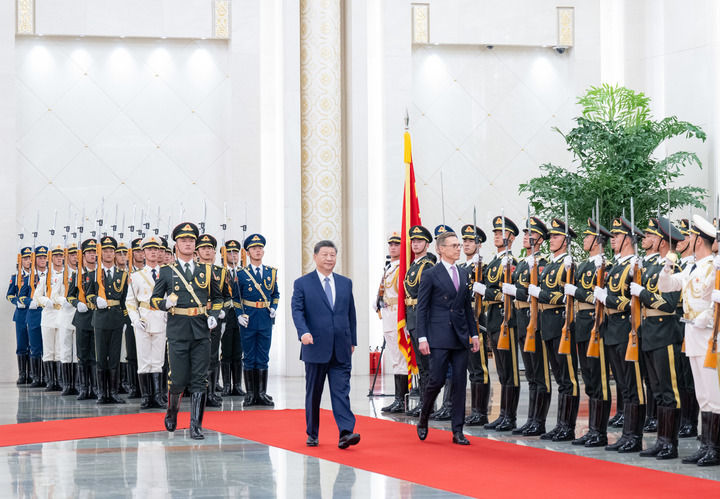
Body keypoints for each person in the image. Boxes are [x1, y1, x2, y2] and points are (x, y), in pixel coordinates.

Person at [151, 222, 223, 440]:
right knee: (178, 377)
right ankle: (172, 412)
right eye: (184, 240)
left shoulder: (207, 271)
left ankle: (196, 425)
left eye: (192, 240)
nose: (188, 244)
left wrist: (213, 315)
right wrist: (164, 304)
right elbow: (154, 299)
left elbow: (218, 297)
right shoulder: (166, 272)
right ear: (176, 244)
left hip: (201, 330)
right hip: (178, 330)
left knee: (200, 379)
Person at [659, 214, 720, 467]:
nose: (688, 239)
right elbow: (667, 286)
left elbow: (716, 302)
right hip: (692, 334)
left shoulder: (715, 267)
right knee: (701, 394)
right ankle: (705, 444)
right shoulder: (692, 267)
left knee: (713, 394)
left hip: (710, 336)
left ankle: (714, 448)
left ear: (699, 240)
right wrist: (667, 266)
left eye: (692, 236)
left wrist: (706, 316)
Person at [291, 240, 360, 449]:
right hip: (315, 346)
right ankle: (312, 433)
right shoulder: (302, 283)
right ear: (315, 257)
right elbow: (297, 311)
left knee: (341, 391)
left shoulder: (345, 283)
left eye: (333, 255)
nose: (329, 259)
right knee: (314, 393)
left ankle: (346, 432)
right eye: (325, 255)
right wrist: (303, 332)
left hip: (341, 346)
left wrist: (353, 340)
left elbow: (351, 313)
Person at [416, 231, 480, 445]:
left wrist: (474, 334)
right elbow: (422, 308)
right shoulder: (430, 274)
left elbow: (466, 308)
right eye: (453, 245)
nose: (458, 248)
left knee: (460, 382)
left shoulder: (462, 274)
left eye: (458, 245)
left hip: (460, 335)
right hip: (439, 335)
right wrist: (422, 337)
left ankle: (457, 430)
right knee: (437, 380)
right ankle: (424, 416)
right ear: (440, 249)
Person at [633, 217, 684, 459]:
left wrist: (642, 293)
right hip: (649, 332)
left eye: (650, 235)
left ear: (661, 241)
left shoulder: (672, 267)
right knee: (655, 389)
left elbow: (669, 303)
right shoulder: (650, 266)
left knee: (668, 390)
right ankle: (661, 441)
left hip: (665, 332)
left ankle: (669, 444)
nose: (645, 239)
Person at [595, 216, 646, 453]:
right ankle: (626, 434)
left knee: (633, 386)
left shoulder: (635, 266)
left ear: (628, 238)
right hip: (612, 330)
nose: (612, 239)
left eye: (616, 235)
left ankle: (634, 436)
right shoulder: (617, 266)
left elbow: (634, 303)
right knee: (624, 386)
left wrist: (608, 299)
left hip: (628, 331)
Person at [528, 218, 580, 442]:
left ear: (566, 241)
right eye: (550, 237)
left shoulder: (568, 265)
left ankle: (567, 426)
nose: (551, 240)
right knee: (559, 378)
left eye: (556, 237)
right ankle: (560, 424)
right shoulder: (550, 265)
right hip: (547, 325)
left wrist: (542, 295)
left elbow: (567, 297)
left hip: (562, 325)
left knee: (568, 378)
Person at [566, 218, 612, 447]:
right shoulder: (584, 265)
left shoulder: (605, 266)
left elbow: (599, 297)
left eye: (587, 237)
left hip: (597, 324)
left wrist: (577, 292)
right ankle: (593, 430)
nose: (583, 240)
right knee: (590, 380)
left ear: (597, 240)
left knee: (599, 377)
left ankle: (600, 431)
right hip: (582, 325)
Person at [504, 216, 550, 436]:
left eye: (530, 234)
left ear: (540, 239)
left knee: (540, 374)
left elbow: (536, 293)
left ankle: (539, 421)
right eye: (524, 234)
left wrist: (516, 292)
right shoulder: (523, 263)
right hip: (522, 319)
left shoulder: (542, 264)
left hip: (535, 319)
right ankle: (531, 419)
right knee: (531, 374)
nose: (526, 237)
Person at [474, 215, 520, 431]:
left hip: (505, 319)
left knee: (510, 371)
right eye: (495, 232)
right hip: (492, 319)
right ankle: (502, 414)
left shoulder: (511, 263)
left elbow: (506, 294)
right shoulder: (493, 263)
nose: (496, 235)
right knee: (501, 371)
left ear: (510, 237)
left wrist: (486, 291)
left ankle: (510, 417)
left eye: (501, 232)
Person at [233, 234, 279, 407]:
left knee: (263, 356)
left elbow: (275, 294)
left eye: (260, 248)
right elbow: (236, 298)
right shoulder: (241, 274)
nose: (257, 250)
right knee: (249, 356)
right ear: (248, 252)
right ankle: (250, 394)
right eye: (254, 248)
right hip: (249, 319)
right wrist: (239, 314)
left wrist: (274, 307)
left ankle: (262, 393)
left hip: (265, 318)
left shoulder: (271, 272)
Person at [126, 235, 168, 409]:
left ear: (160, 252)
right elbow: (130, 301)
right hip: (143, 318)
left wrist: (168, 313)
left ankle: (158, 395)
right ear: (143, 253)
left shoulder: (166, 273)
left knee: (158, 360)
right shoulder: (136, 276)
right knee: (144, 359)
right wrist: (135, 320)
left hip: (161, 317)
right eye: (149, 249)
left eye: (155, 249)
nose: (152, 252)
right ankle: (146, 396)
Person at [85, 236, 128, 405]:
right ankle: (102, 393)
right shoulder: (94, 274)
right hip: (100, 319)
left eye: (112, 251)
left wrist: (125, 320)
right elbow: (88, 294)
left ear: (115, 254)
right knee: (101, 357)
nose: (109, 254)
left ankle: (113, 392)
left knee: (115, 356)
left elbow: (125, 299)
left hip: (117, 319)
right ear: (100, 253)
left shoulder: (122, 275)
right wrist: (96, 301)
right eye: (106, 251)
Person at [402, 225, 436, 417]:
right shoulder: (413, 266)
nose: (415, 244)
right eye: (413, 241)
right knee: (422, 366)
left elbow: (426, 297)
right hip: (413, 318)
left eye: (419, 241)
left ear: (427, 244)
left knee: (428, 365)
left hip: (423, 319)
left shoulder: (428, 266)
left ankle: (428, 405)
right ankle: (424, 402)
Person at [458, 224, 491, 426]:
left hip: (477, 316)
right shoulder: (461, 268)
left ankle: (481, 412)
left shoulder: (484, 268)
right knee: (468, 366)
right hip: (461, 319)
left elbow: (490, 291)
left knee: (479, 367)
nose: (467, 244)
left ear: (479, 244)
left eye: (471, 241)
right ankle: (472, 410)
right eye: (465, 241)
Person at [674, 219, 699, 439]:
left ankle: (691, 421)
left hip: (691, 320)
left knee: (691, 375)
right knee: (681, 374)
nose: (679, 241)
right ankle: (684, 419)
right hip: (677, 322)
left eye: (684, 236)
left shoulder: (699, 266)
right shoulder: (679, 265)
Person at [377, 232, 408, 414]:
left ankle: (401, 399)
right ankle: (397, 398)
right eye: (391, 244)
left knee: (401, 358)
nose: (393, 247)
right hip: (388, 315)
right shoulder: (390, 267)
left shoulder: (401, 268)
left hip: (397, 316)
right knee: (395, 358)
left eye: (397, 244)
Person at [32, 244, 68, 392]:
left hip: (61, 315)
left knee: (60, 350)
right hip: (48, 315)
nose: (59, 259)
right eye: (56, 256)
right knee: (48, 350)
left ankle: (59, 381)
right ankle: (50, 381)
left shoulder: (67, 275)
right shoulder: (46, 276)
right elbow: (36, 296)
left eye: (61, 256)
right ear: (51, 258)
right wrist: (45, 301)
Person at [67, 239, 99, 400]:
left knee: (95, 355)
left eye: (94, 252)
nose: (92, 255)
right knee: (82, 355)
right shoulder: (78, 275)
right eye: (89, 252)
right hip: (82, 318)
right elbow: (70, 295)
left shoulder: (101, 274)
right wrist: (77, 303)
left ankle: (95, 388)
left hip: (98, 318)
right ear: (83, 255)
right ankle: (84, 388)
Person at [222, 239, 245, 397]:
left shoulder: (244, 273)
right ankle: (226, 385)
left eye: (236, 252)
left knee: (238, 351)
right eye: (230, 252)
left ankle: (237, 385)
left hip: (240, 315)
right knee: (226, 351)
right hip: (226, 315)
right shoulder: (221, 272)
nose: (233, 255)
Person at [7, 246, 33, 385]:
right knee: (22, 344)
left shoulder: (37, 276)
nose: (28, 261)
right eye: (26, 258)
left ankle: (34, 374)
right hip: (22, 314)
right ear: (21, 260)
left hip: (34, 312)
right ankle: (23, 374)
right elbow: (9, 295)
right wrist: (17, 302)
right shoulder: (16, 277)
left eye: (30, 258)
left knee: (34, 345)